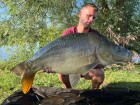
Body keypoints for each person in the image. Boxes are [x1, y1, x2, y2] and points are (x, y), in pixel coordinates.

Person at [58, 3, 105, 89]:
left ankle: (94, 94)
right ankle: (69, 89)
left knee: (100, 74)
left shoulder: (95, 35)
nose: (91, 20)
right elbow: (60, 53)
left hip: (87, 68)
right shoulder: (68, 33)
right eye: (89, 15)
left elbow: (101, 57)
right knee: (62, 73)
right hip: (71, 66)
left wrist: (100, 63)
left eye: (94, 17)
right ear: (80, 14)